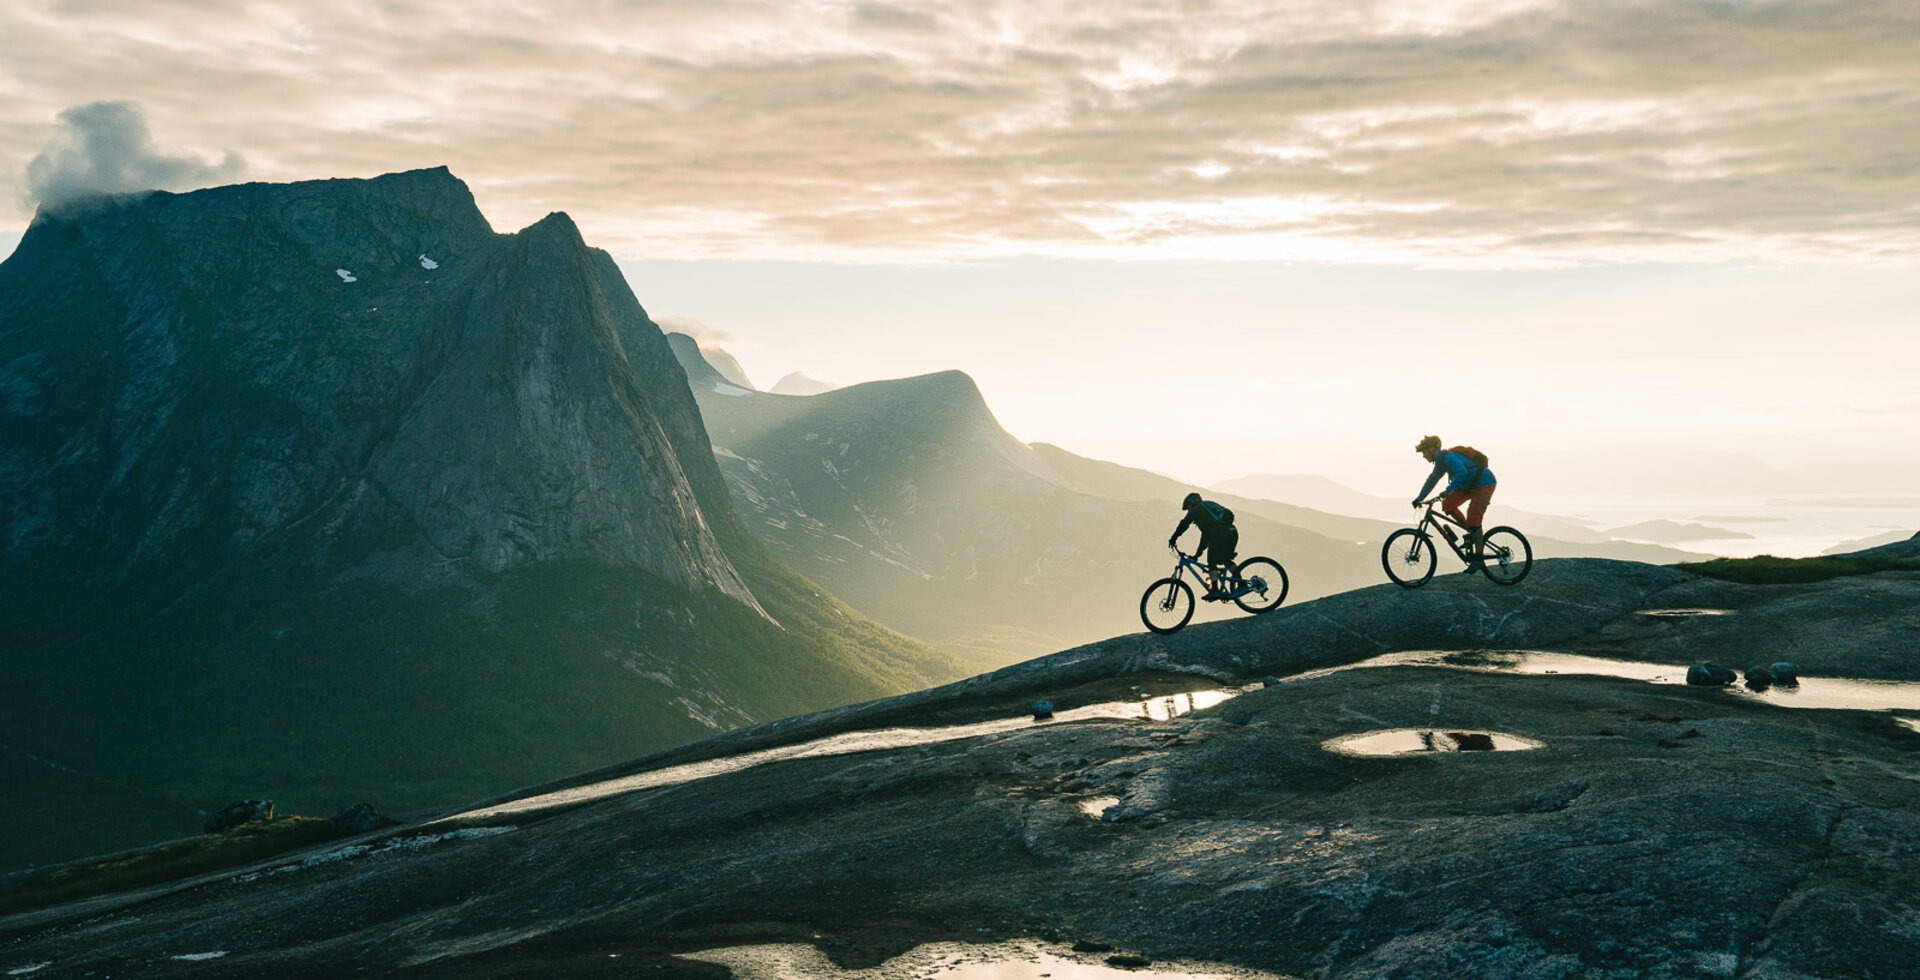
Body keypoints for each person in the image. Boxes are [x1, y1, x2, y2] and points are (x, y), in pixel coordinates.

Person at [1412, 435, 1496, 569]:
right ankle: (1471, 531)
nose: (1423, 456)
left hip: (1484, 483)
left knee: (1473, 514)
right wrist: (1419, 498)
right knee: (1448, 504)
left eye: (1424, 452)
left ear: (1434, 449)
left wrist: (1448, 490)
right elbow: (1432, 480)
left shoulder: (1449, 457)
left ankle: (1478, 559)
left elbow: (1462, 472)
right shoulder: (1440, 464)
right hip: (1469, 485)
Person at [1169, 492, 1238, 600]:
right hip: (1231, 533)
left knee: (1212, 561)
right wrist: (1197, 554)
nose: (1188, 511)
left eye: (1188, 508)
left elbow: (1184, 524)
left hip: (1221, 535)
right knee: (1225, 559)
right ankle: (1241, 583)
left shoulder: (1197, 510)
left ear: (1191, 505)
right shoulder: (1208, 510)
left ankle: (1215, 590)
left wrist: (1173, 538)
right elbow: (1206, 537)